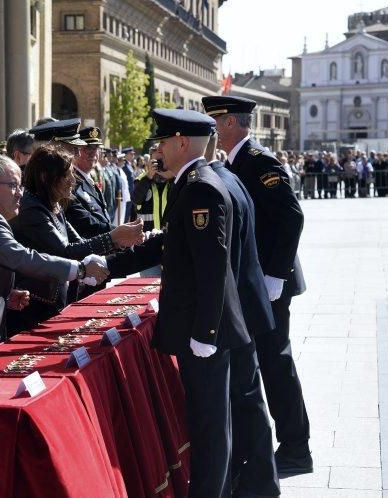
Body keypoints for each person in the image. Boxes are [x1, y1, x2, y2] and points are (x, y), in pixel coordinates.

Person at [122, 109, 250, 497]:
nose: (157, 149)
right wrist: (111, 263)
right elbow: (171, 245)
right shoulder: (189, 182)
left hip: (203, 330)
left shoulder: (200, 188)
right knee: (209, 421)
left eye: (161, 142)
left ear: (181, 143)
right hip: (199, 325)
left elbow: (213, 268)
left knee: (209, 426)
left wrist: (206, 333)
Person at [204, 95, 311, 475]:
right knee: (263, 361)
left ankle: (296, 447)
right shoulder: (232, 163)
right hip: (257, 281)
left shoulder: (260, 161)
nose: (213, 130)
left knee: (275, 362)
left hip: (270, 282)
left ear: (231, 123)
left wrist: (276, 276)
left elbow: (291, 217)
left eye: (216, 122)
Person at [0, 153, 109, 372]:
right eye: (13, 186)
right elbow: (24, 258)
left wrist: (7, 294)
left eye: (20, 186)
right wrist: (79, 270)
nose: (20, 194)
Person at [206, 134, 280, 497]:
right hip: (246, 306)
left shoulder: (213, 184)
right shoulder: (229, 176)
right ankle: (261, 477)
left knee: (244, 397)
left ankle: (258, 480)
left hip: (236, 309)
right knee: (248, 395)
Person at [8, 145, 143, 333]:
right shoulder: (32, 209)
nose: (73, 180)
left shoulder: (52, 204)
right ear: (46, 178)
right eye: (66, 175)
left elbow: (79, 244)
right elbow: (65, 251)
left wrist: (118, 242)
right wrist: (112, 237)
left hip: (54, 301)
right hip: (32, 307)